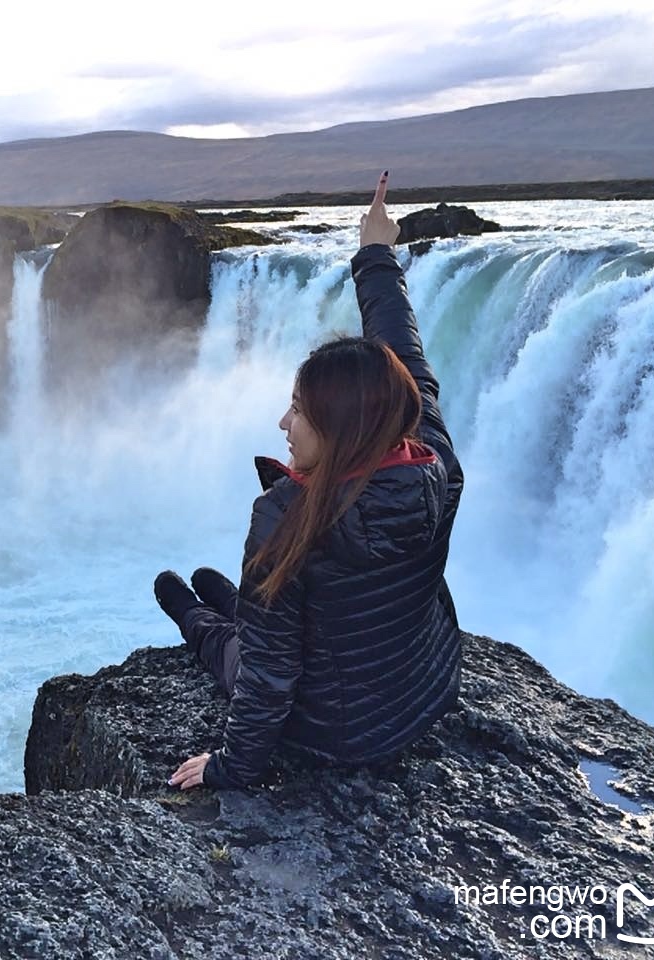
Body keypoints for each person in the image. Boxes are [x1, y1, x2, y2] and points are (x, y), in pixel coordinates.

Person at [155, 172, 464, 791]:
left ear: (341, 431)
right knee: (263, 614)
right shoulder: (432, 463)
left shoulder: (288, 517)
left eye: (299, 411)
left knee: (234, 651)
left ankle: (197, 617)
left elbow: (269, 681)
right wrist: (377, 255)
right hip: (423, 692)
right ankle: (236, 607)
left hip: (335, 735)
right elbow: (408, 363)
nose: (283, 423)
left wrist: (228, 768)